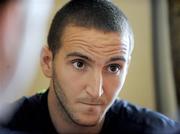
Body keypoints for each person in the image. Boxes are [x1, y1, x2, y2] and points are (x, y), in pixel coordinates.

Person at [0, 0, 178, 133]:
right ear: (47, 62)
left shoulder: (159, 131)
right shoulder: (8, 125)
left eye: (114, 67)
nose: (96, 91)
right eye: (79, 64)